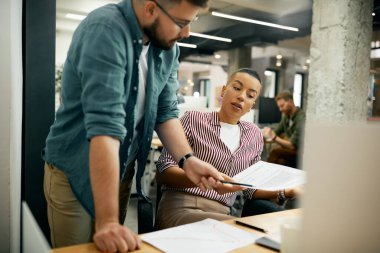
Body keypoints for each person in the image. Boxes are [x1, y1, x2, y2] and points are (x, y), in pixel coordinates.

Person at [42, 0, 223, 252]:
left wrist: (187, 160)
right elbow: (105, 127)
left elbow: (165, 112)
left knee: (111, 246)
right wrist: (107, 221)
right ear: (150, 8)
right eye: (181, 23)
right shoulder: (105, 29)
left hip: (121, 168)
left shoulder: (167, 49)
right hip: (75, 168)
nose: (186, 33)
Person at [154, 69, 302, 230]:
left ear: (252, 105)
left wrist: (286, 191)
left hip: (222, 214)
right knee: (243, 233)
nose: (241, 97)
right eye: (237, 88)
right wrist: (204, 181)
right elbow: (163, 171)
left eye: (250, 95)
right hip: (182, 207)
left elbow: (250, 190)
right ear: (224, 91)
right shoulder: (193, 120)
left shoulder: (253, 135)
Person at [262, 91, 305, 168]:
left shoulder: (301, 118)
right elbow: (276, 132)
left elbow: (292, 146)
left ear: (290, 102)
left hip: (301, 153)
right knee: (280, 162)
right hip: (291, 150)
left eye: (282, 106)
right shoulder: (286, 116)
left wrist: (274, 137)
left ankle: (264, 172)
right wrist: (266, 135)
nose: (280, 109)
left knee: (275, 152)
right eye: (279, 107)